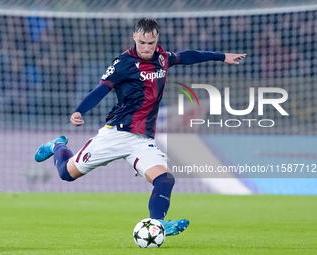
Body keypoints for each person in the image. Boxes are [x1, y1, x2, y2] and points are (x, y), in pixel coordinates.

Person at [35, 18, 246, 236]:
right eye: (143, 42)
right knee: (66, 174)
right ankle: (57, 145)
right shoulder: (123, 64)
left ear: (157, 41)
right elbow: (101, 89)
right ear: (134, 37)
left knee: (165, 180)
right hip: (116, 134)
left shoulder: (163, 58)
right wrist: (80, 110)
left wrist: (221, 57)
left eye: (151, 43)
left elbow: (189, 56)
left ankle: (157, 224)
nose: (146, 48)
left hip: (142, 141)